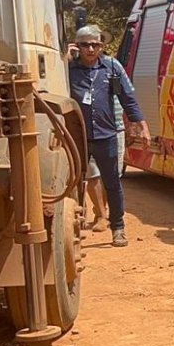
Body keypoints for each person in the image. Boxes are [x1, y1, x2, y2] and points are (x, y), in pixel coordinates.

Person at [66, 25, 149, 247]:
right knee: (73, 182)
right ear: (78, 46)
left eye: (95, 44)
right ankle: (70, 229)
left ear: (102, 45)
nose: (91, 49)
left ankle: (118, 228)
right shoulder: (68, 70)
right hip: (77, 137)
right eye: (85, 45)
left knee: (112, 183)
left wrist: (142, 125)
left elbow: (128, 98)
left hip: (106, 135)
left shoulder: (112, 68)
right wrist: (62, 60)